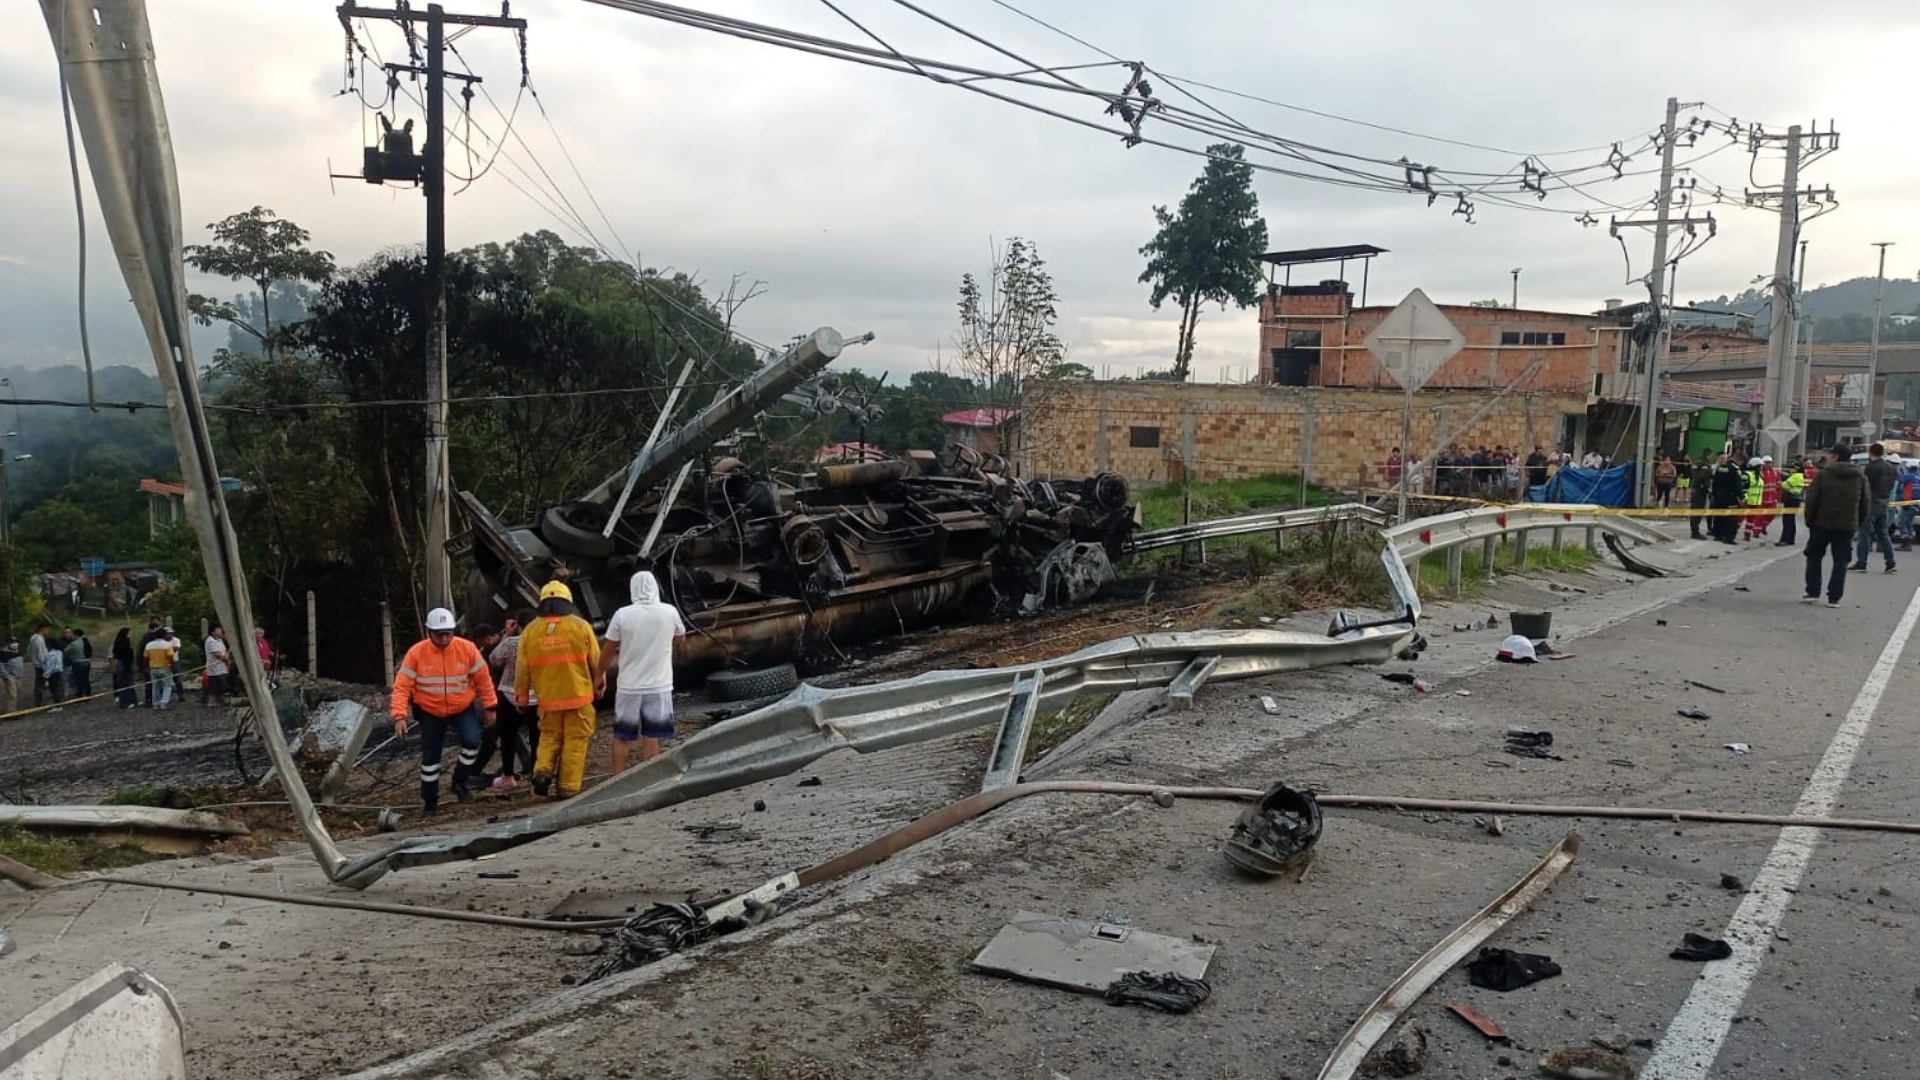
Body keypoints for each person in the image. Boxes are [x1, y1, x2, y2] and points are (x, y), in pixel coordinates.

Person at [390, 607, 497, 814]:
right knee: (431, 758)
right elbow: (402, 686)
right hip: (430, 710)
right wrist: (399, 716)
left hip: (461, 707)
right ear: (430, 632)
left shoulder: (467, 649)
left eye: (448, 632)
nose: (444, 638)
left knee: (473, 742)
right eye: (439, 634)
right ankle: (430, 800)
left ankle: (460, 780)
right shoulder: (417, 653)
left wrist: (490, 705)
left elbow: (483, 679)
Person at [515, 581, 602, 800]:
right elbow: (596, 661)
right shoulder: (581, 626)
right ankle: (568, 788)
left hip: (548, 699)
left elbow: (522, 669)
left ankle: (542, 771)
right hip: (578, 697)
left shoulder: (530, 631)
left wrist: (522, 697)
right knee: (575, 741)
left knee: (549, 737)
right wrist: (600, 684)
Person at [598, 570, 687, 772]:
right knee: (651, 735)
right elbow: (681, 637)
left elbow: (608, 649)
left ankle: (618, 779)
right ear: (655, 587)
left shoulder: (622, 615)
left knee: (622, 736)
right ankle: (648, 779)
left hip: (628, 686)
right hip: (659, 685)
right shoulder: (669, 611)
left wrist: (598, 676)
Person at [1803, 443, 1870, 606]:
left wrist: (1809, 520)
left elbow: (1811, 500)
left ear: (1836, 456)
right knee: (1841, 561)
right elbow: (1865, 503)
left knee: (1814, 556)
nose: (1828, 457)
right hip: (1846, 526)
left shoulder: (1823, 475)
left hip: (1821, 523)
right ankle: (1834, 597)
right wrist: (1857, 523)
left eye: (1830, 454)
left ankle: (1812, 591)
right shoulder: (1860, 476)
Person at [479, 612, 533, 790]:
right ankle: (537, 770)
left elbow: (494, 659)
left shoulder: (511, 643)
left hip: (510, 694)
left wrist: (507, 635)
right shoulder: (542, 641)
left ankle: (508, 776)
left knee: (507, 735)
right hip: (537, 694)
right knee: (537, 734)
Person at [1850, 442, 1898, 573]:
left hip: (1872, 500)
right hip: (1885, 500)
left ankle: (1862, 562)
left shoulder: (1871, 467)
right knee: (1883, 533)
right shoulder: (1891, 467)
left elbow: (1865, 485)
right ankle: (1890, 562)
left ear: (1871, 452)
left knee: (1865, 532)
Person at [1707, 452, 1745, 544]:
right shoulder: (1735, 469)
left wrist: (1714, 494)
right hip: (1730, 497)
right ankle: (1728, 538)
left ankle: (1718, 535)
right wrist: (1741, 498)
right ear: (1739, 460)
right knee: (1731, 518)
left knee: (1719, 515)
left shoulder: (1721, 467)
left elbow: (1715, 482)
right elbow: (1737, 486)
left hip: (1719, 496)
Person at [144, 627, 180, 709]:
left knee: (155, 687)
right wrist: (172, 665)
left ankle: (156, 703)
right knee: (167, 686)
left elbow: (146, 658)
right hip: (164, 667)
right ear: (164, 635)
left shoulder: (149, 645)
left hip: (153, 668)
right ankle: (164, 703)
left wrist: (146, 667)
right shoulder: (167, 645)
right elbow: (170, 657)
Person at [1779, 458, 1807, 547]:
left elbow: (1785, 485)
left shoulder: (1796, 476)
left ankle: (1784, 540)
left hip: (1790, 499)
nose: (1792, 469)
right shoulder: (1800, 476)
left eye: (1794, 468)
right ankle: (1791, 539)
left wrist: (1780, 483)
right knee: (1791, 519)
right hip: (1796, 499)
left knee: (1787, 520)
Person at [202, 626, 231, 707]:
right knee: (215, 685)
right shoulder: (210, 640)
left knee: (220, 685)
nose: (221, 631)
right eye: (218, 630)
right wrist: (226, 658)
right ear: (213, 632)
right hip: (215, 667)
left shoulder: (219, 640)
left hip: (222, 666)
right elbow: (217, 654)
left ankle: (218, 701)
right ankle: (211, 702)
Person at [1687, 453, 1713, 540]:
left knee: (1694, 511)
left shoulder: (1696, 467)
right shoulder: (1703, 468)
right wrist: (1709, 473)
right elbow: (1703, 477)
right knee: (1698, 511)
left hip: (1695, 490)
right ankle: (1695, 532)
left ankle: (1694, 531)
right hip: (1700, 491)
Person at [137, 617, 162, 707]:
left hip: (147, 663)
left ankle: (149, 700)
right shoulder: (158, 638)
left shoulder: (145, 638)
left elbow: (140, 652)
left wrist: (140, 664)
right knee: (159, 682)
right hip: (158, 663)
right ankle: (159, 700)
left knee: (148, 683)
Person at [1895, 461, 1920, 551]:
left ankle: (1905, 543)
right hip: (1916, 504)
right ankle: (1909, 543)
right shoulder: (1918, 477)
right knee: (1908, 523)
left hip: (1908, 503)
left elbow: (1904, 489)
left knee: (1902, 522)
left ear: (1908, 468)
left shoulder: (1907, 477)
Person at [111, 628, 138, 710]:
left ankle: (131, 701)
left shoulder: (117, 643)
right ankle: (125, 704)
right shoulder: (124, 643)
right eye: (129, 633)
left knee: (124, 684)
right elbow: (126, 656)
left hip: (120, 664)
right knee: (125, 684)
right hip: (124, 665)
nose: (131, 635)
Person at [63, 629, 92, 699]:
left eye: (72, 634)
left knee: (79, 680)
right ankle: (88, 694)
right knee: (86, 679)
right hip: (87, 662)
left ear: (76, 635)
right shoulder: (85, 641)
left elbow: (66, 651)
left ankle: (80, 695)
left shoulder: (74, 644)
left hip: (78, 663)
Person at [40, 630, 66, 706]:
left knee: (54, 690)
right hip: (60, 672)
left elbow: (50, 666)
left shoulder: (50, 654)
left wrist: (45, 676)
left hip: (53, 674)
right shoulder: (59, 652)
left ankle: (57, 705)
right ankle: (58, 704)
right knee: (59, 688)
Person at [26, 625, 49, 707]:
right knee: (40, 684)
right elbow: (41, 654)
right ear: (43, 629)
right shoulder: (39, 640)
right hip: (40, 665)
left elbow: (28, 650)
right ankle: (39, 702)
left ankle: (39, 701)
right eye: (47, 629)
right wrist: (45, 664)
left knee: (40, 683)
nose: (48, 631)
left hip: (37, 664)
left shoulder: (34, 639)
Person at [0, 641, 19, 712]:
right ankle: (11, 711)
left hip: (16, 676)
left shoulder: (16, 652)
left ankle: (13, 709)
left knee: (15, 694)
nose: (15, 645)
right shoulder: (3, 653)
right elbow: (1, 667)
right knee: (11, 695)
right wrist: (7, 677)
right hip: (9, 677)